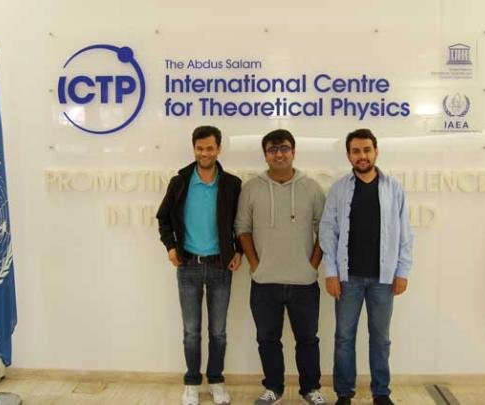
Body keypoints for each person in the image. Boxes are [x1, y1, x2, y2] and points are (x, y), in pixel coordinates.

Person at [319, 129, 414, 405]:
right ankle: (344, 393)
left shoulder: (393, 187)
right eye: (356, 151)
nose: (362, 156)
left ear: (376, 151)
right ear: (349, 155)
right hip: (348, 278)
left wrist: (403, 272)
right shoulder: (339, 189)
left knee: (381, 339)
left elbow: (406, 233)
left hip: (383, 279)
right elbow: (328, 231)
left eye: (367, 150)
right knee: (344, 338)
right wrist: (331, 272)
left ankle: (381, 393)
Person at [235, 129, 328, 405]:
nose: (279, 154)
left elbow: (325, 229)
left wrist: (312, 265)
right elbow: (243, 228)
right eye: (273, 149)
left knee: (308, 340)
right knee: (267, 340)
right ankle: (273, 388)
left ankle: (310, 389)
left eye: (284, 148)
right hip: (265, 282)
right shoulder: (251, 188)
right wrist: (255, 264)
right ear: (265, 154)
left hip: (304, 282)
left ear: (293, 151)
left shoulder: (311, 188)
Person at [156, 125, 242, 405]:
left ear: (219, 149)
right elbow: (163, 217)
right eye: (200, 148)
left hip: (220, 266)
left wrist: (239, 250)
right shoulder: (180, 181)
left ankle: (216, 379)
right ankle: (192, 382)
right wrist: (170, 246)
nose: (205, 153)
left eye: (210, 148)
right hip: (188, 265)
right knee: (191, 331)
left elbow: (242, 224)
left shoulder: (231, 184)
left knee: (218, 331)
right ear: (194, 148)